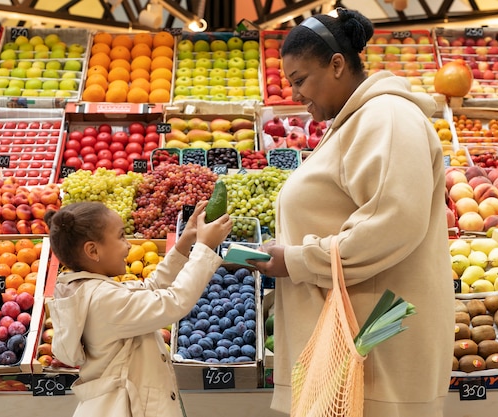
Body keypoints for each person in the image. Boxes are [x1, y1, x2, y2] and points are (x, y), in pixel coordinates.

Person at [250, 8, 455, 417]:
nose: (294, 96)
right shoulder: (357, 120)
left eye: (300, 80)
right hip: (352, 339)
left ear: (338, 64)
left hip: (371, 343)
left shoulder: (388, 119)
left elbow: (392, 224)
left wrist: (297, 260)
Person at [44, 200, 232, 417]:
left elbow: (148, 288)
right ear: (93, 250)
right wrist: (204, 248)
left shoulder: (89, 290)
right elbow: (173, 302)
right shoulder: (103, 301)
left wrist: (185, 243)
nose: (129, 245)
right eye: (121, 236)